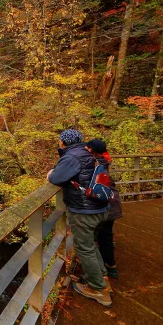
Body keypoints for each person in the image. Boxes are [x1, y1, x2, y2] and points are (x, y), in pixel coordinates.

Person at [47, 129, 112, 307]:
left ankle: (99, 290)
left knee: (84, 247)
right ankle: (103, 278)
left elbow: (57, 178)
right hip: (101, 207)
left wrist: (51, 174)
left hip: (85, 210)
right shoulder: (88, 152)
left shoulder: (72, 157)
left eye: (60, 140)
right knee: (90, 243)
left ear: (63, 142)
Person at [86, 139, 122, 279]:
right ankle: (110, 266)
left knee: (97, 235)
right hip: (112, 202)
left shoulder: (91, 164)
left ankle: (101, 272)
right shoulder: (104, 163)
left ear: (91, 150)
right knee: (105, 234)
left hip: (104, 205)